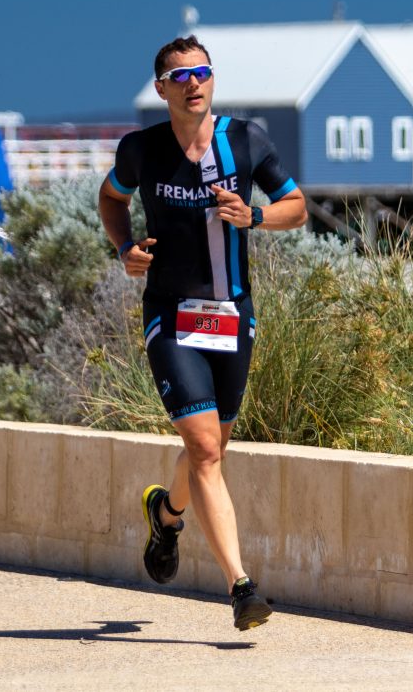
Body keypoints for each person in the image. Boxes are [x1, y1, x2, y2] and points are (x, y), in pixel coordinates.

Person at [98, 35, 308, 630]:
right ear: (161, 88)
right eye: (180, 75)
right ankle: (242, 588)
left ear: (213, 81)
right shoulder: (141, 150)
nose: (194, 83)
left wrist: (258, 214)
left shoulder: (245, 141)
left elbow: (297, 206)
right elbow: (110, 199)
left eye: (203, 73)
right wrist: (124, 249)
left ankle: (165, 516)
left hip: (233, 315)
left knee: (210, 447)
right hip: (170, 314)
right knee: (208, 450)